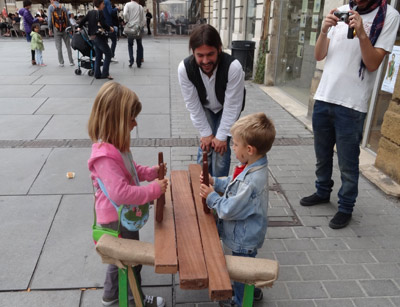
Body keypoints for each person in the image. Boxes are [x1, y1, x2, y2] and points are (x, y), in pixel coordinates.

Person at [300, 0, 400, 229]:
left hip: (353, 104)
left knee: (348, 162)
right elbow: (319, 55)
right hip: (325, 96)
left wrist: (363, 34)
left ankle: (345, 207)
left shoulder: (389, 16)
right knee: (322, 154)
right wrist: (324, 30)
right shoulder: (342, 12)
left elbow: (373, 63)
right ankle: (322, 191)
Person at [88, 81, 167, 307]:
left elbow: (129, 170)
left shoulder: (116, 147)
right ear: (117, 121)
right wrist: (153, 191)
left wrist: (150, 173)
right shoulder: (105, 156)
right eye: (132, 118)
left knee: (119, 260)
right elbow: (121, 192)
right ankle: (135, 300)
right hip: (116, 219)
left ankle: (110, 296)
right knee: (131, 262)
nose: (135, 123)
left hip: (120, 215)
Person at [199, 112, 276, 307]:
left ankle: (242, 301)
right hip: (247, 234)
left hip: (243, 238)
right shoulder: (249, 166)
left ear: (249, 149)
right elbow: (233, 184)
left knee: (241, 271)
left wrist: (211, 196)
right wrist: (215, 182)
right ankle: (252, 289)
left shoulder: (251, 181)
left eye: (235, 144)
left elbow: (228, 209)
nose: (232, 148)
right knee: (247, 265)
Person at [177, 24, 245, 177]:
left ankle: (219, 190)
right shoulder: (185, 69)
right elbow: (192, 104)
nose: (205, 60)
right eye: (200, 55)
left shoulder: (233, 67)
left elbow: (233, 105)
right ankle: (201, 186)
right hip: (204, 107)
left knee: (221, 150)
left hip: (226, 107)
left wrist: (221, 136)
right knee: (205, 147)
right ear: (193, 52)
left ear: (219, 49)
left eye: (210, 54)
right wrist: (206, 133)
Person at [78, 0, 114, 80]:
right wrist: (110, 28)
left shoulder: (90, 12)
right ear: (99, 4)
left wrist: (79, 27)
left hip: (92, 37)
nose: (104, 5)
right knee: (108, 54)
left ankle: (97, 74)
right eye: (103, 4)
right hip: (99, 37)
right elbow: (104, 24)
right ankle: (105, 74)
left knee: (98, 55)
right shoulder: (100, 12)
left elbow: (82, 21)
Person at [48, 0, 74, 67]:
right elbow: (67, 19)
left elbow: (49, 19)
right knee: (68, 45)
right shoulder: (63, 7)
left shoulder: (51, 7)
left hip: (56, 29)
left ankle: (61, 62)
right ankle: (71, 61)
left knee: (58, 46)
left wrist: (50, 28)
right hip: (65, 28)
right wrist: (70, 28)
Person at [19, 0, 42, 65]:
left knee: (33, 45)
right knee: (34, 45)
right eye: (30, 5)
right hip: (30, 29)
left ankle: (34, 59)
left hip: (28, 29)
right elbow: (31, 21)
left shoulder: (24, 11)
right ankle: (34, 59)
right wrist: (38, 19)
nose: (31, 6)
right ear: (28, 5)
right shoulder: (26, 12)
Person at [123, 0, 145, 68]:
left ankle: (131, 60)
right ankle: (138, 62)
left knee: (130, 45)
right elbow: (143, 19)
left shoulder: (127, 4)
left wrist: (127, 20)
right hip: (137, 28)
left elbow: (124, 14)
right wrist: (141, 26)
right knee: (139, 44)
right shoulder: (140, 7)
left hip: (130, 27)